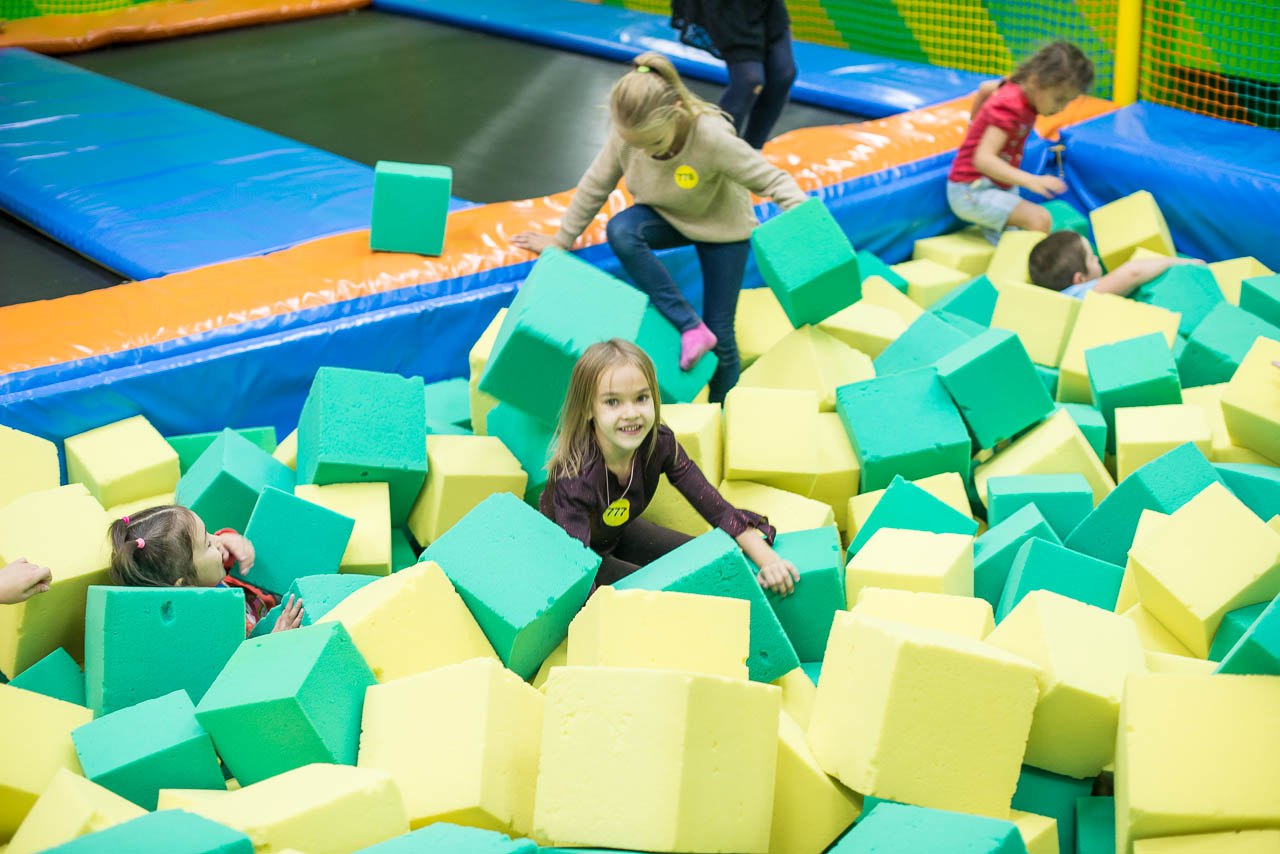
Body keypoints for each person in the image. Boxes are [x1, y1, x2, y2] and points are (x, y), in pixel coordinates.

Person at [512, 52, 808, 403]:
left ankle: (722, 410)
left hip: (722, 229)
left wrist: (808, 227)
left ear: (677, 114)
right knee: (621, 230)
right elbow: (595, 184)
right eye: (635, 144)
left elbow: (773, 180)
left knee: (722, 334)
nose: (644, 153)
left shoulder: (711, 136)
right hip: (667, 216)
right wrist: (561, 240)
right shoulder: (629, 136)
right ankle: (688, 325)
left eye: (653, 144)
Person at [540, 339, 800, 593]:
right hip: (575, 558)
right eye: (613, 402)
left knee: (715, 565)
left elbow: (718, 510)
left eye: (641, 398)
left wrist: (768, 561)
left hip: (616, 534)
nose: (631, 413)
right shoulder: (575, 478)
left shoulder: (658, 443)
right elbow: (577, 571)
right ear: (588, 410)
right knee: (673, 593)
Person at [948, 42, 1095, 241]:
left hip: (995, 186)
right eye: (1059, 99)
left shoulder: (1018, 87)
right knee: (1039, 220)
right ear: (1036, 81)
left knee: (1015, 237)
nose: (1062, 108)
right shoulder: (1010, 106)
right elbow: (982, 159)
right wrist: (1032, 180)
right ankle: (1032, 271)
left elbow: (985, 89)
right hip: (971, 191)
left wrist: (973, 127)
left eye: (1067, 101)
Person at [108, 505, 302, 636]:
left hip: (269, 607)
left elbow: (218, 552)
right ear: (185, 584)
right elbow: (247, 666)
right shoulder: (212, 626)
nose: (216, 539)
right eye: (208, 543)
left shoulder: (204, 576)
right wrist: (276, 639)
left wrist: (229, 538)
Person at [669, 0, 796, 149]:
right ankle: (717, 152)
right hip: (727, 9)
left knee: (783, 74)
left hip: (762, 6)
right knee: (749, 80)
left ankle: (753, 151)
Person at [1028, 231, 1204, 298]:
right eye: (1092, 258)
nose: (1097, 259)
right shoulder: (1080, 295)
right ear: (1080, 279)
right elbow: (1132, 272)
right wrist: (1175, 262)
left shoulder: (1052, 298)